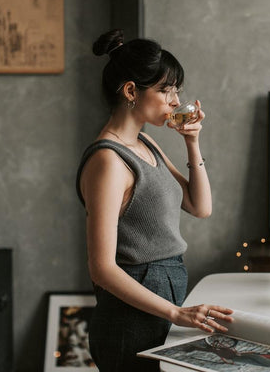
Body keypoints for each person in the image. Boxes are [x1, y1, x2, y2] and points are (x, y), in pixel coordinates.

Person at [75, 29, 233, 372]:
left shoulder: (147, 144)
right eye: (166, 90)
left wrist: (193, 142)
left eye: (176, 90)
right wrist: (176, 312)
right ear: (131, 91)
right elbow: (101, 269)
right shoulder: (108, 160)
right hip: (130, 314)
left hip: (164, 296)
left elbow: (199, 207)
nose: (176, 101)